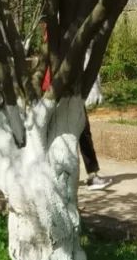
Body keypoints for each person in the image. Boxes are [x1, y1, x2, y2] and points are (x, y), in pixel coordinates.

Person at [40, 20, 110, 190]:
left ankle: (92, 174)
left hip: (67, 91)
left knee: (83, 131)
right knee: (69, 132)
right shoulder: (57, 34)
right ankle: (50, 174)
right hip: (57, 91)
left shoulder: (64, 31)